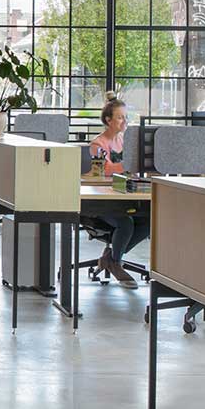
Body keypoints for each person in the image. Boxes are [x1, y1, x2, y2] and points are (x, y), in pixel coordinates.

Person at [86, 99, 148, 288]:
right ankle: (115, 261)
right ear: (108, 120)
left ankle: (112, 258)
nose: (124, 121)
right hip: (102, 201)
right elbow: (106, 170)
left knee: (148, 220)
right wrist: (130, 162)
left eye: (125, 117)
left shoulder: (123, 141)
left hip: (123, 196)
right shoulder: (98, 144)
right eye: (120, 118)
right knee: (125, 222)